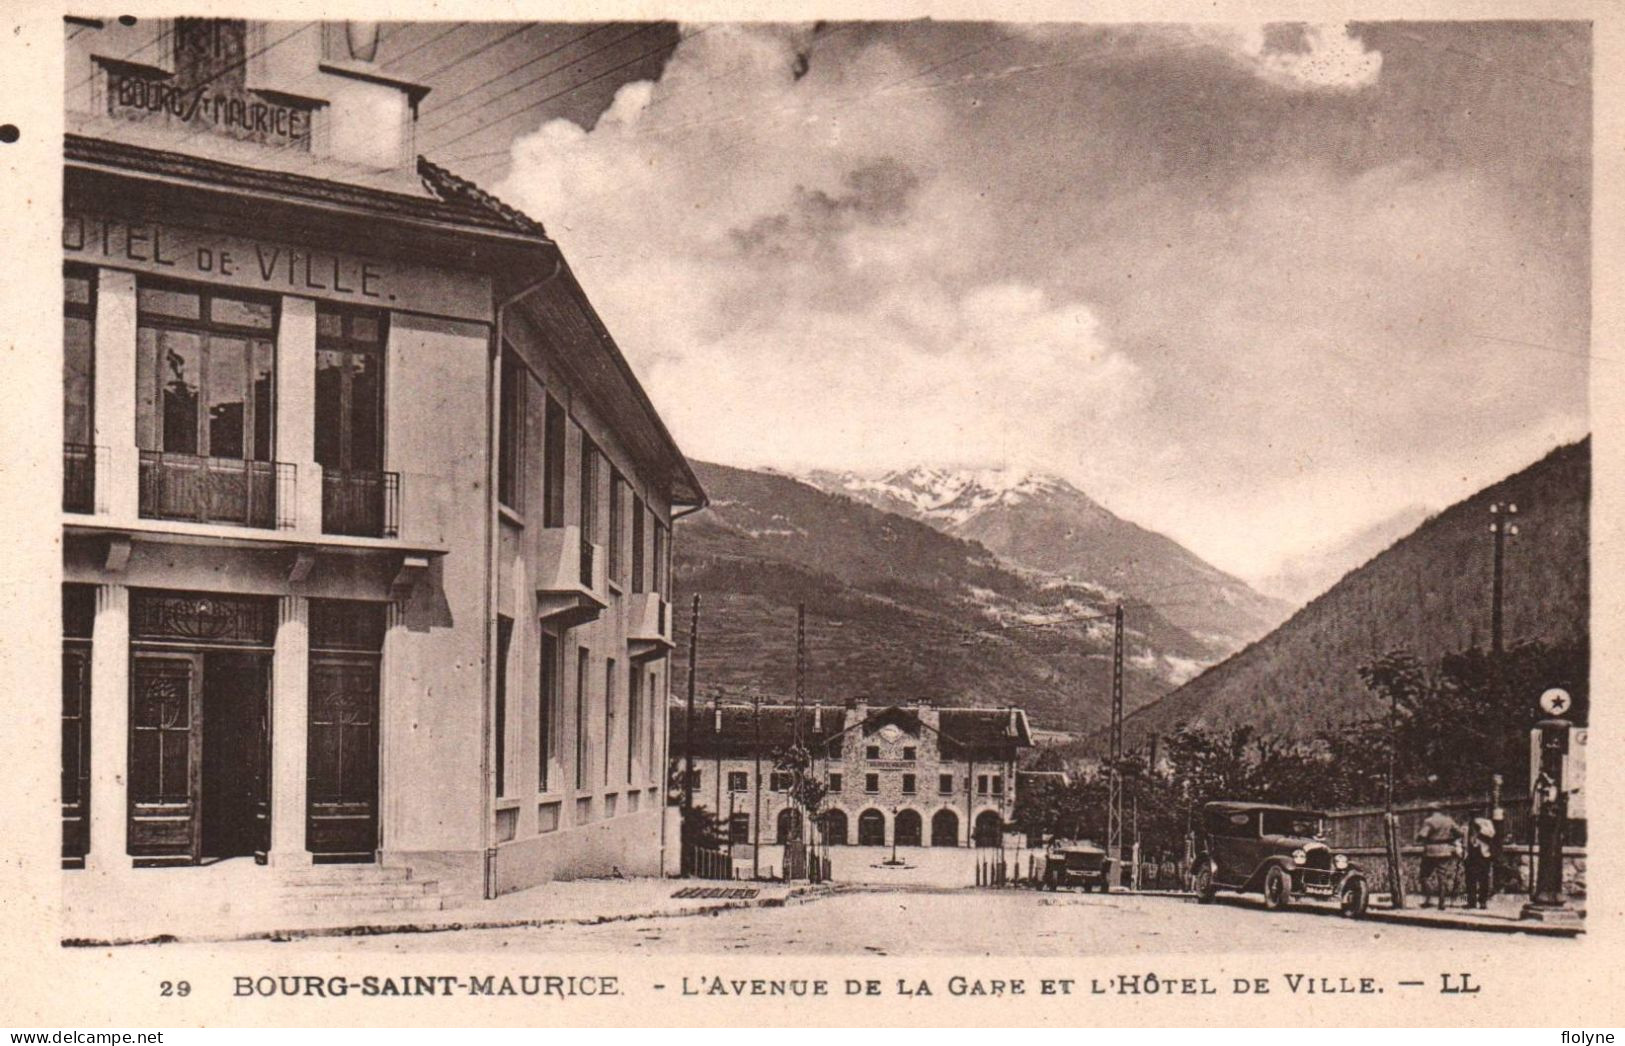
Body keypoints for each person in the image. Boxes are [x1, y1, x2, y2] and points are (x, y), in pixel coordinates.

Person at [1416, 803, 1462, 909]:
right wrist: (1449, 840)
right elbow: (1459, 833)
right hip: (1445, 850)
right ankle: (1442, 903)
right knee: (1442, 877)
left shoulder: (1429, 821)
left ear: (1431, 810)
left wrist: (1419, 838)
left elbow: (1423, 835)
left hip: (1431, 851)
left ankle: (1429, 898)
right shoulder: (1448, 820)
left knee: (1424, 876)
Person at [1465, 813, 1496, 909]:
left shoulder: (1487, 823)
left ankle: (1483, 902)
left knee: (1483, 879)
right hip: (1471, 853)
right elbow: (1463, 838)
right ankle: (1471, 902)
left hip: (1483, 853)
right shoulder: (1467, 825)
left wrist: (1479, 827)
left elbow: (1492, 834)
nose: (1474, 815)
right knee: (1470, 879)